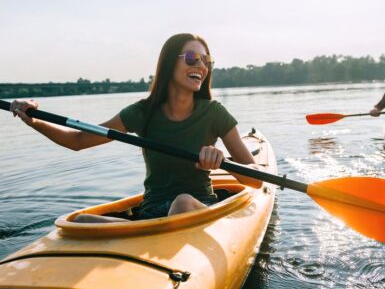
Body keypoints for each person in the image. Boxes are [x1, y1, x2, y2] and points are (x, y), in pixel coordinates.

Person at [10, 33, 262, 223]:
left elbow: (255, 179)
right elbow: (77, 140)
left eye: (207, 61)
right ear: (168, 64)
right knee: (80, 220)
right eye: (192, 58)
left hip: (196, 208)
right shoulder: (142, 113)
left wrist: (221, 161)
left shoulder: (214, 113)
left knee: (182, 202)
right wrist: (33, 119)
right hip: (151, 214)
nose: (201, 66)